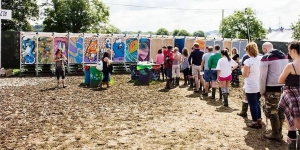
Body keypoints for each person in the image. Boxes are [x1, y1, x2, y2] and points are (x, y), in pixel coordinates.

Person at [260, 42, 289, 141]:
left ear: (264, 49)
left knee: (271, 111)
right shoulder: (284, 56)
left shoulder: (266, 57)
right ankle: (279, 131)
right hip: (283, 87)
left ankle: (275, 133)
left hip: (272, 88)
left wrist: (262, 90)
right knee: (280, 110)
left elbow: (262, 76)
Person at [278, 41, 300, 149]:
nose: (289, 53)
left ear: (294, 50)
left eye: (289, 50)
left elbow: (280, 80)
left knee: (291, 125)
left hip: (290, 95)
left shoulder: (291, 65)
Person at [242, 42, 263, 128]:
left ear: (248, 51)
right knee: (257, 102)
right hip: (259, 83)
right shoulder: (261, 58)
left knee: (253, 104)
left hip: (251, 85)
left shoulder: (248, 61)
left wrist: (242, 70)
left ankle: (254, 122)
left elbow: (245, 74)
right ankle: (259, 119)